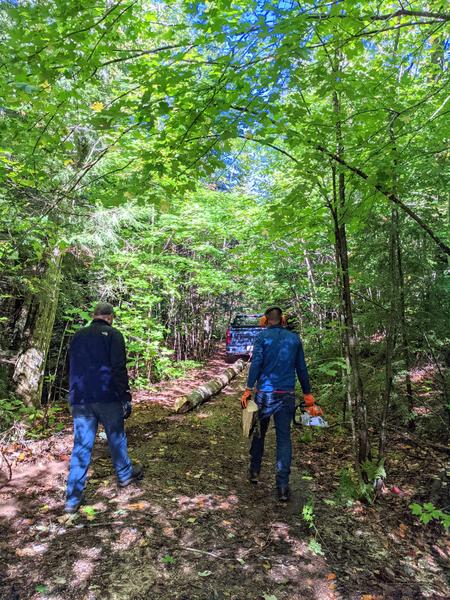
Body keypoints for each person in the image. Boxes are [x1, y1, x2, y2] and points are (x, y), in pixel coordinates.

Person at [65, 302, 142, 513]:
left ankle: (72, 499)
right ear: (110, 317)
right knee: (116, 437)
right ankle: (125, 475)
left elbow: (69, 366)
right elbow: (118, 368)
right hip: (108, 397)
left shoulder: (77, 336)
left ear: (94, 315)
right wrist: (125, 395)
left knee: (81, 446)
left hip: (81, 398)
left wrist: (71, 394)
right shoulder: (114, 335)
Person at [240, 306, 320, 502]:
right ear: (282, 320)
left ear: (265, 321)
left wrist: (249, 388)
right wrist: (308, 394)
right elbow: (301, 368)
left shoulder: (262, 338)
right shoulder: (294, 339)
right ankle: (282, 487)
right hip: (287, 396)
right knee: (284, 439)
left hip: (265, 395)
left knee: (259, 433)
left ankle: (254, 471)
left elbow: (256, 363)